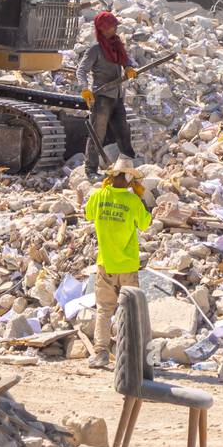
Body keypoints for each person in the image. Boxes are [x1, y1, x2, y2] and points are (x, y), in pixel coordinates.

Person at [84, 155, 152, 368]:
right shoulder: (132, 201)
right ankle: (132, 356)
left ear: (111, 177)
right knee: (131, 312)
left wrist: (104, 193)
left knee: (104, 310)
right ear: (130, 180)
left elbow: (88, 215)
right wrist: (141, 199)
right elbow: (145, 224)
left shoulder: (99, 196)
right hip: (128, 266)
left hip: (106, 264)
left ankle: (101, 353)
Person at [76, 10, 137, 179]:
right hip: (101, 98)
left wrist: (129, 68)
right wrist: (84, 88)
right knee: (97, 134)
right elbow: (81, 70)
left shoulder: (116, 45)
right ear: (102, 29)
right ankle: (90, 170)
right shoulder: (95, 49)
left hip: (117, 97)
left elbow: (126, 61)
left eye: (115, 26)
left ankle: (129, 165)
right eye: (110, 27)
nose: (114, 29)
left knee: (123, 131)